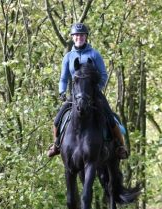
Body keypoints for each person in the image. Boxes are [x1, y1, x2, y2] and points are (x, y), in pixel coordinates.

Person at [47, 23, 128, 159]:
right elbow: (63, 78)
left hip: (94, 94)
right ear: (73, 37)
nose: (79, 38)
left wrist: (96, 89)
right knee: (57, 119)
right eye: (77, 35)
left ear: (86, 37)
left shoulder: (94, 54)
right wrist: (62, 92)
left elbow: (103, 75)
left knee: (110, 117)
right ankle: (56, 145)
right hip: (75, 96)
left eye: (82, 35)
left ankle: (120, 146)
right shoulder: (68, 57)